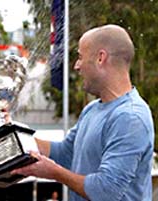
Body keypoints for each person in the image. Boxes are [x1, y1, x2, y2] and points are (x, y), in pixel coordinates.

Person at [11, 24, 154, 201]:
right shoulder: (92, 109)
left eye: (80, 57)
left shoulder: (130, 118)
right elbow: (65, 153)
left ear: (101, 58)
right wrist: (12, 135)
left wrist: (54, 172)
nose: (76, 66)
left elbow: (106, 191)